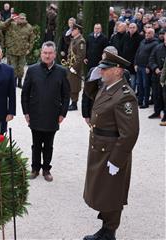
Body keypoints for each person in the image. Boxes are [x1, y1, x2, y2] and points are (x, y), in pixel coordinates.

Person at [83, 51, 139, 240]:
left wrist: (116, 160)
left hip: (112, 151)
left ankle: (109, 232)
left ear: (118, 71)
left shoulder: (124, 96)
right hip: (99, 148)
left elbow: (129, 133)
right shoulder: (107, 88)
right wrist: (92, 77)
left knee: (112, 192)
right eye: (101, 68)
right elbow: (91, 94)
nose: (102, 72)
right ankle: (106, 228)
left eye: (105, 69)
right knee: (102, 190)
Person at [21, 41, 70, 182]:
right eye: (45, 53)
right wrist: (26, 112)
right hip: (35, 113)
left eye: (50, 53)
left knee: (49, 144)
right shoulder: (32, 70)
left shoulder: (61, 71)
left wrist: (63, 113)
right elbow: (25, 93)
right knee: (36, 144)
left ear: (54, 54)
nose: (47, 56)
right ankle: (35, 168)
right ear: (41, 54)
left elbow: (66, 95)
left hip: (53, 114)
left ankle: (46, 169)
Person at [1, 13, 35, 88]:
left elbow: (32, 40)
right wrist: (10, 19)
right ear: (18, 18)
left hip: (23, 51)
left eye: (23, 18)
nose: (22, 20)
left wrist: (29, 49)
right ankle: (13, 82)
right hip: (12, 50)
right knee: (13, 68)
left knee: (21, 68)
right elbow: (2, 27)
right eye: (20, 18)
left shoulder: (29, 27)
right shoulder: (12, 25)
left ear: (25, 19)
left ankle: (19, 82)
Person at [66, 23, 86, 111]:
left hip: (75, 67)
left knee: (74, 85)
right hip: (70, 65)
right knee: (70, 83)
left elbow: (80, 56)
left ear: (77, 30)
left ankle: (74, 103)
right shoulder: (74, 39)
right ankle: (72, 101)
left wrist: (74, 67)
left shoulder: (81, 41)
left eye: (73, 30)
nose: (72, 32)